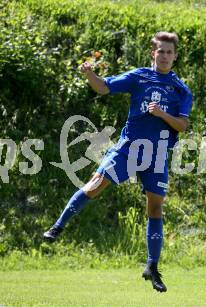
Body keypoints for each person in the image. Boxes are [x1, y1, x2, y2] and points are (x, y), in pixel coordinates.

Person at [43, 31, 193, 293]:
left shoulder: (181, 89)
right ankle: (57, 227)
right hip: (128, 148)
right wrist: (90, 74)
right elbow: (104, 87)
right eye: (161, 51)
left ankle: (152, 267)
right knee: (94, 185)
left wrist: (161, 114)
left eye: (170, 52)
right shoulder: (139, 76)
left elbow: (182, 125)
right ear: (153, 54)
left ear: (175, 56)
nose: (165, 56)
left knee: (155, 209)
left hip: (157, 156)